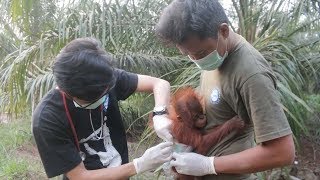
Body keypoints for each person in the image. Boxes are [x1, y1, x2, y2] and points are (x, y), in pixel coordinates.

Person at [154, 0, 295, 179]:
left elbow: (282, 152)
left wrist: (208, 165)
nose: (195, 59)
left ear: (224, 31)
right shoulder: (217, 54)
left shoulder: (251, 74)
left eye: (200, 54)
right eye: (188, 54)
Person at [32, 37, 173, 180]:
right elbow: (80, 176)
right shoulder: (47, 118)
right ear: (69, 93)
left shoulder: (103, 78)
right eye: (95, 98)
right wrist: (139, 165)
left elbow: (159, 84)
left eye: (106, 92)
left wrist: (160, 114)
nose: (103, 97)